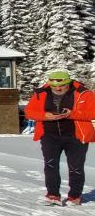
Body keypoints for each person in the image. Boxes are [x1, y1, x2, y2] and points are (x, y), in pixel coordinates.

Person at [24, 69, 95, 205]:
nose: (58, 88)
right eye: (54, 86)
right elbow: (29, 112)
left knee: (76, 167)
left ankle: (75, 197)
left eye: (61, 85)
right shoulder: (41, 93)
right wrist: (45, 116)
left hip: (76, 136)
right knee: (50, 165)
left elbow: (93, 112)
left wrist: (72, 114)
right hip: (50, 136)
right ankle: (53, 195)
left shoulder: (84, 93)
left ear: (68, 83)